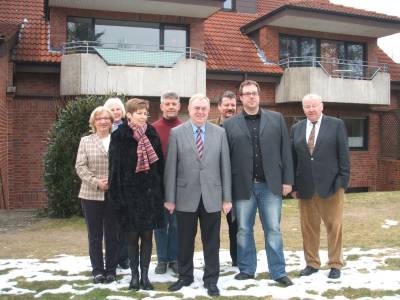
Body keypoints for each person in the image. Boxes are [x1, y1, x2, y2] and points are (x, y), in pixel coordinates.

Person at [223, 80, 294, 286]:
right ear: (241, 98)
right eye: (247, 94)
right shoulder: (229, 124)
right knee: (244, 229)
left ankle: (278, 272)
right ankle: (246, 269)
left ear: (259, 95)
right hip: (242, 187)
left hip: (270, 185)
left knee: (273, 229)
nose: (251, 97)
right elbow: (225, 160)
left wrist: (288, 180)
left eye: (254, 93)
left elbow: (285, 151)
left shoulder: (276, 119)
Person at [164, 93, 232, 297]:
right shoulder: (177, 133)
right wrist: (169, 198)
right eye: (196, 108)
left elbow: (225, 167)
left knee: (212, 242)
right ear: (189, 110)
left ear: (208, 110)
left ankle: (211, 280)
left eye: (204, 108)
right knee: (185, 240)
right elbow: (171, 168)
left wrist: (227, 198)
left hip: (212, 195)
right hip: (185, 196)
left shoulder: (219, 133)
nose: (200, 112)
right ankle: (185, 276)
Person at [290, 93, 350, 279]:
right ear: (303, 109)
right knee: (308, 228)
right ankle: (312, 263)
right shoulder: (296, 128)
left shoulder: (336, 125)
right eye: (307, 106)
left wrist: (342, 182)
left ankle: (335, 264)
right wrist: (293, 186)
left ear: (322, 106)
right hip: (305, 188)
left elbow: (344, 156)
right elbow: (293, 159)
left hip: (331, 186)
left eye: (314, 105)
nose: (311, 109)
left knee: (334, 226)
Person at [108, 98, 165, 290]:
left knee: (148, 238)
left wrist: (160, 192)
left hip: (150, 196)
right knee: (132, 238)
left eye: (145, 113)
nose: (143, 116)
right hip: (129, 197)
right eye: (139, 113)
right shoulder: (119, 136)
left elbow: (160, 167)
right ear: (129, 114)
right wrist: (117, 198)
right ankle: (134, 276)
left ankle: (145, 277)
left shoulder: (152, 133)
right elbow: (114, 170)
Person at [75, 106, 118, 284]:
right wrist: (97, 182)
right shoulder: (86, 141)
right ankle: (98, 270)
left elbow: (125, 164)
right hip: (90, 194)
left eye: (107, 118)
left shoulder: (119, 140)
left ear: (111, 121)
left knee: (112, 234)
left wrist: (114, 181)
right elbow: (80, 166)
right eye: (99, 118)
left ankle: (111, 270)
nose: (103, 121)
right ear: (94, 122)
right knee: (94, 235)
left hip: (114, 194)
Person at [152, 91, 183, 275]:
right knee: (160, 225)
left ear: (179, 106)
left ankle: (174, 258)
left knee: (177, 224)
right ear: (162, 106)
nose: (171, 107)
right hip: (157, 186)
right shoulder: (152, 128)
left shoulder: (185, 128)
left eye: (174, 104)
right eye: (168, 104)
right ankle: (162, 259)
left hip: (180, 185)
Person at [209, 90, 238, 267]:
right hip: (212, 184)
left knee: (236, 227)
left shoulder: (242, 126)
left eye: (233, 105)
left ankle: (237, 260)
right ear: (219, 106)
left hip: (234, 186)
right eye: (226, 104)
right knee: (211, 228)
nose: (230, 108)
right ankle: (212, 262)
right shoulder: (209, 126)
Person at [104, 97, 129, 270]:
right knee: (111, 224)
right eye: (112, 109)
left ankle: (124, 257)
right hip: (108, 182)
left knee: (126, 223)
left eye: (118, 109)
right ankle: (112, 257)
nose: (116, 112)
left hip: (126, 183)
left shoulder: (129, 129)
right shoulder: (103, 130)